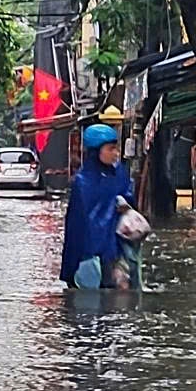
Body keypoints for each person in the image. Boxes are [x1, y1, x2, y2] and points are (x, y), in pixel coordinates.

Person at [60, 124, 140, 290]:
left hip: (117, 247)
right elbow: (77, 226)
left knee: (123, 291)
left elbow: (129, 199)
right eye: (110, 149)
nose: (115, 153)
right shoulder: (82, 182)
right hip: (91, 253)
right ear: (96, 152)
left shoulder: (119, 174)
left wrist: (124, 204)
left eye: (116, 148)